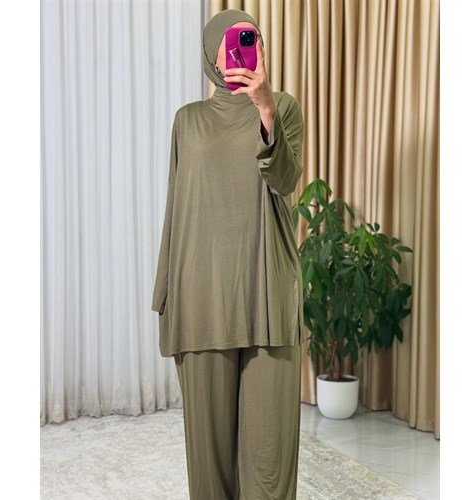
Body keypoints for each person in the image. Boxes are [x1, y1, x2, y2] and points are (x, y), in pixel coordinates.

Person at [152, 8, 305, 500]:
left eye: (253, 39)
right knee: (209, 463)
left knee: (268, 463)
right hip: (202, 298)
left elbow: (285, 180)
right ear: (212, 53)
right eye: (236, 40)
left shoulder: (283, 107)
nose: (246, 48)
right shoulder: (188, 121)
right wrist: (166, 293)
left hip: (267, 295)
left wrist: (266, 111)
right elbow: (176, 206)